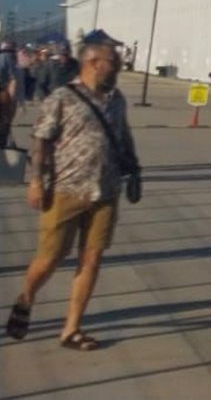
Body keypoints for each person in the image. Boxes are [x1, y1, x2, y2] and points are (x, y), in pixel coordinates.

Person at [5, 32, 138, 349]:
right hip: (65, 190)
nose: (118, 66)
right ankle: (26, 297)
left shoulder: (116, 98)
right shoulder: (62, 98)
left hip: (105, 191)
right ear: (92, 62)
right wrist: (36, 181)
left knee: (91, 260)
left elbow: (123, 135)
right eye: (113, 61)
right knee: (50, 259)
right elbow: (41, 140)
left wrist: (134, 170)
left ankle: (71, 329)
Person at [0, 39, 18, 148]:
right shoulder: (7, 57)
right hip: (2, 94)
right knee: (4, 126)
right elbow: (13, 80)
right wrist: (11, 103)